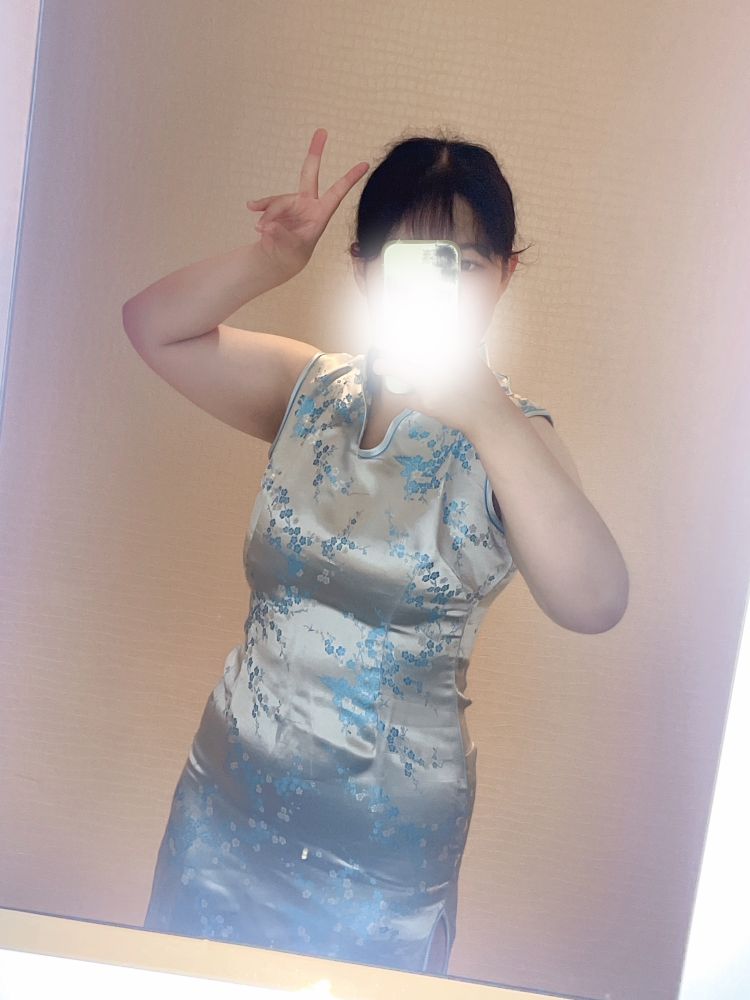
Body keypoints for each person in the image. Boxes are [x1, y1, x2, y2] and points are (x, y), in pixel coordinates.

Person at [123, 127, 626, 976]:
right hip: (223, 814)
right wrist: (269, 261)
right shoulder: (308, 390)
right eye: (410, 260)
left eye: (467, 261)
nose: (442, 284)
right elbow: (152, 327)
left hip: (378, 867)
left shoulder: (514, 440)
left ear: (507, 273)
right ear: (363, 270)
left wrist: (486, 408)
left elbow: (597, 601)